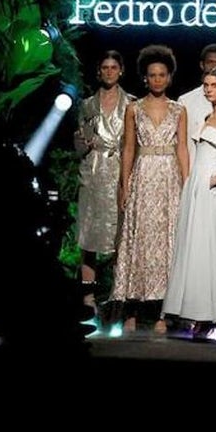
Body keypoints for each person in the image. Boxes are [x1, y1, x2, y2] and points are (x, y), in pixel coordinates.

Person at [163, 65, 216, 341]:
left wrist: (215, 179)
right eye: (206, 85)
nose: (209, 89)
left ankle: (212, 317)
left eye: (214, 85)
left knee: (211, 252)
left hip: (212, 190)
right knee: (196, 251)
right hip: (196, 188)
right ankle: (198, 315)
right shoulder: (209, 115)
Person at [110, 44, 189, 335]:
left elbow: (182, 148)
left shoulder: (180, 110)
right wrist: (124, 184)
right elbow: (128, 148)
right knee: (139, 240)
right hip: (143, 176)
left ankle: (163, 313)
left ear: (169, 77)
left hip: (169, 178)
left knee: (168, 243)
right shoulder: (134, 108)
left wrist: (188, 184)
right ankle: (132, 309)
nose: (157, 79)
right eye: (152, 75)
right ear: (145, 77)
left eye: (162, 75)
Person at [73, 51, 136, 323]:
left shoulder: (131, 104)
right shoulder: (87, 105)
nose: (109, 72)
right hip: (93, 173)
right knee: (88, 238)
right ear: (99, 71)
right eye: (104, 67)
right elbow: (77, 143)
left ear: (121, 71)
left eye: (114, 67)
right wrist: (83, 145)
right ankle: (87, 300)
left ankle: (117, 299)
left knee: (121, 239)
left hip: (120, 174)